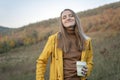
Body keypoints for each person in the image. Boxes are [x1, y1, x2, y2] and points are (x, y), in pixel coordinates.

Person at [36, 9, 93, 80]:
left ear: (76, 19)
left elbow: (89, 61)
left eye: (71, 16)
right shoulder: (54, 39)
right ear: (61, 22)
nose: (68, 18)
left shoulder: (86, 40)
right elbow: (41, 61)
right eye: (64, 17)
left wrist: (88, 69)